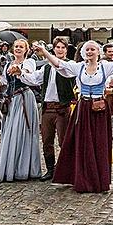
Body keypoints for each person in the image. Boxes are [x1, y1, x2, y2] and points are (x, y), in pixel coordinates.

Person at [35, 40, 113, 193]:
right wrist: (45, 52)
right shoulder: (79, 67)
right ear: (83, 52)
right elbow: (58, 63)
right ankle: (82, 178)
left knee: (99, 143)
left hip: (99, 108)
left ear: (98, 52)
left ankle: (98, 179)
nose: (90, 52)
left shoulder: (105, 67)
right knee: (82, 143)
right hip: (84, 107)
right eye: (87, 50)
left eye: (93, 49)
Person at [22, 37, 76, 181]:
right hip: (48, 109)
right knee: (47, 141)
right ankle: (50, 169)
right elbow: (33, 79)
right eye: (57, 47)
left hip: (62, 108)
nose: (60, 50)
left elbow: (69, 73)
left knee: (63, 141)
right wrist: (20, 73)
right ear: (54, 49)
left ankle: (65, 169)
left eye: (62, 47)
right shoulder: (46, 67)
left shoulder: (69, 65)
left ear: (66, 50)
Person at [0, 39, 43, 181]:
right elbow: (1, 84)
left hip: (25, 98)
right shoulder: (7, 65)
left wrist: (19, 71)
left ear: (26, 50)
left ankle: (24, 168)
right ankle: (11, 166)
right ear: (12, 49)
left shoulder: (29, 62)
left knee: (23, 131)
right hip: (12, 100)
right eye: (16, 46)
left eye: (21, 47)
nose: (18, 49)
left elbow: (27, 73)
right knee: (11, 131)